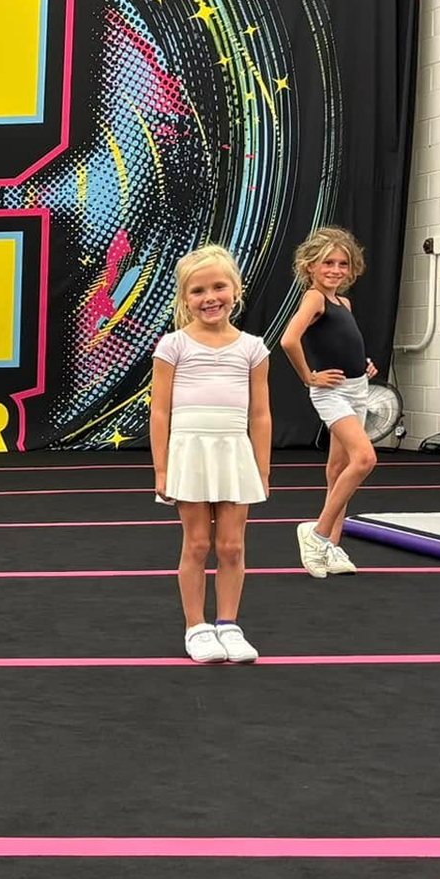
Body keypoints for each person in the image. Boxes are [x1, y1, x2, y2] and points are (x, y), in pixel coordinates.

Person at [150, 245, 270, 664]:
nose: (209, 297)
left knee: (233, 547)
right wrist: (161, 468)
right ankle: (196, 627)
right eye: (198, 290)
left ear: (235, 290)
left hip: (234, 451)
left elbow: (260, 413)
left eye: (219, 286)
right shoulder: (173, 345)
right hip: (191, 450)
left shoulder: (253, 348)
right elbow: (160, 410)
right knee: (198, 543)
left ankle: (229, 625)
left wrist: (262, 469)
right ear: (185, 299)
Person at [278, 227, 378, 578]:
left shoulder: (344, 303)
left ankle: (332, 547)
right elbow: (289, 339)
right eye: (327, 263)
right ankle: (318, 533)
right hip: (331, 391)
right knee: (364, 458)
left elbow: (343, 341)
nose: (335, 270)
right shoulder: (314, 298)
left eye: (342, 264)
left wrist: (363, 363)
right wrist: (309, 376)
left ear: (352, 269)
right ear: (310, 268)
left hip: (356, 387)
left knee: (339, 469)